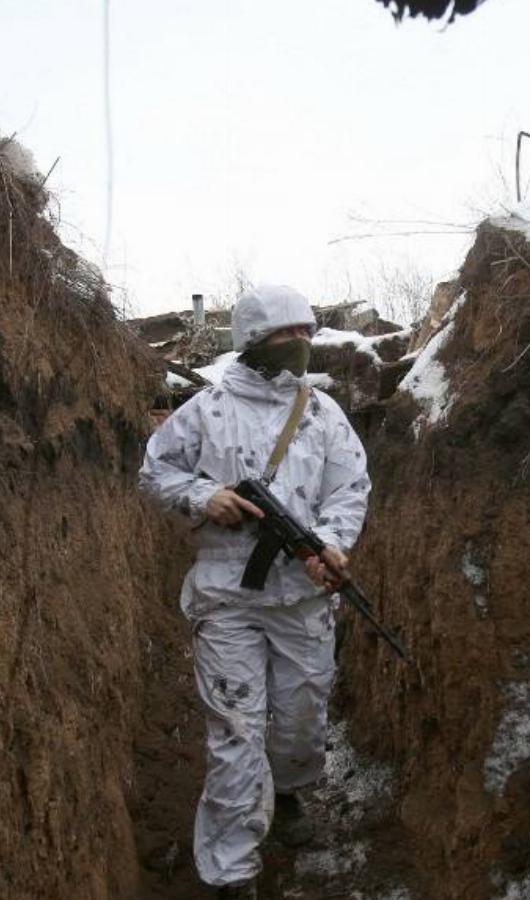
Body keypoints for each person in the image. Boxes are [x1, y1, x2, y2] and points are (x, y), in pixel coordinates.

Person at [139, 284, 371, 900]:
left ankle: (288, 792)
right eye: (285, 333)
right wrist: (202, 496)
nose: (299, 343)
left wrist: (328, 544)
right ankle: (232, 870)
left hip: (303, 598)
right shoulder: (208, 410)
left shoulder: (322, 414)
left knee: (300, 719)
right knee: (237, 733)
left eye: (305, 332)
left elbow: (350, 487)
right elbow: (155, 470)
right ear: (253, 340)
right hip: (226, 599)